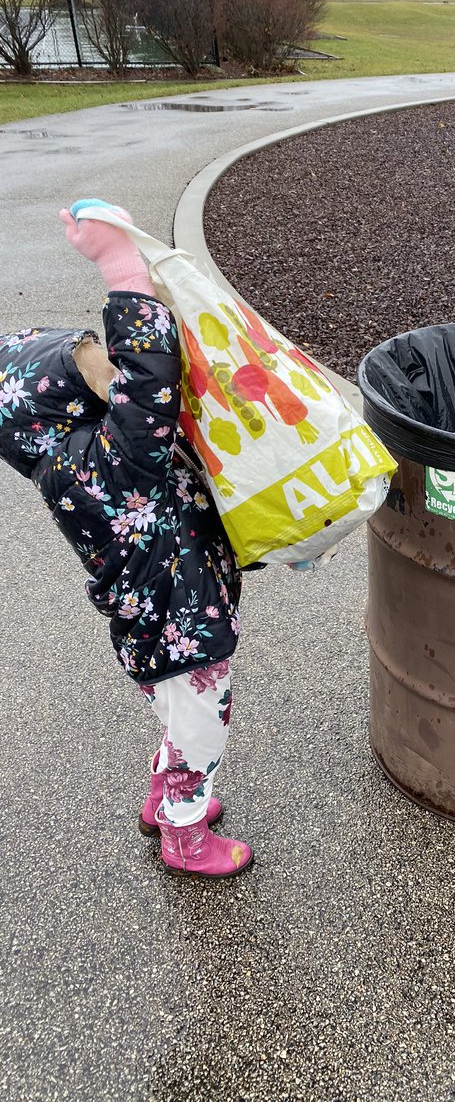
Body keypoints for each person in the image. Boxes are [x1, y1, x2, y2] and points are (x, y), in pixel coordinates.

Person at [0, 199, 252, 879]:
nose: (109, 374)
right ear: (56, 408)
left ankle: (164, 796)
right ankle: (185, 831)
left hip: (157, 616)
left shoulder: (71, 455)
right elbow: (150, 382)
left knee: (179, 716)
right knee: (201, 727)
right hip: (179, 622)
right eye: (92, 373)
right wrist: (123, 271)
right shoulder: (101, 461)